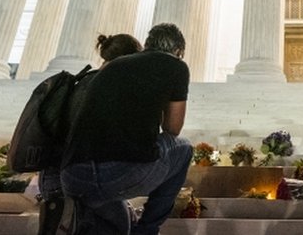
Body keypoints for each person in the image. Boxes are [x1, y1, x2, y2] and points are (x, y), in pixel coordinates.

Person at [61, 23, 193, 235]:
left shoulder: (113, 65)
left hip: (74, 177)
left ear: (148, 44)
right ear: (178, 52)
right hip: (117, 174)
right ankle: (148, 230)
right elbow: (172, 128)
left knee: (123, 224)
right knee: (184, 149)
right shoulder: (176, 66)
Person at [38, 33, 143, 235]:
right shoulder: (113, 89)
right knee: (120, 223)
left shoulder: (80, 83)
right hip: (80, 183)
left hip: (51, 180)